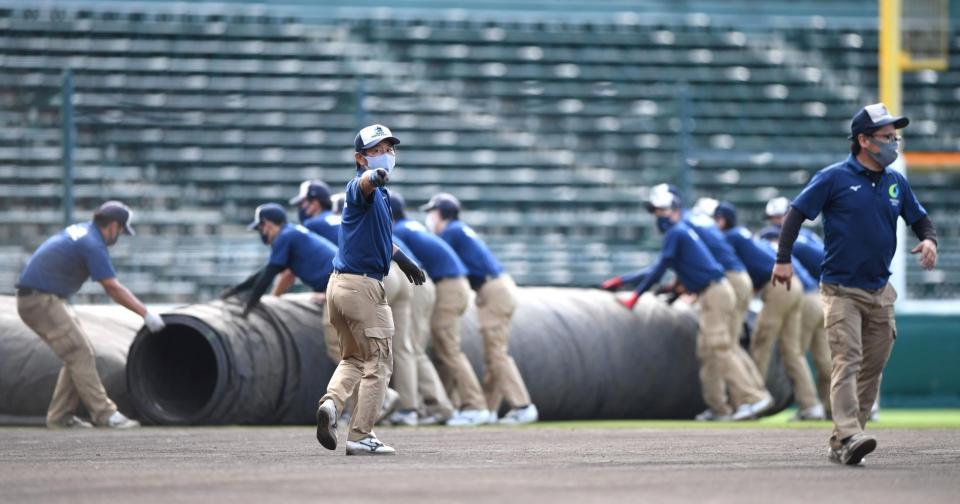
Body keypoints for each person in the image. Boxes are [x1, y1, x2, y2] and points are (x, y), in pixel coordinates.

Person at [772, 103, 937, 465]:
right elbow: (796, 213)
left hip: (881, 290)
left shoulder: (896, 182)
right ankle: (849, 432)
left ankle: (845, 440)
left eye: (895, 136)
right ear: (863, 140)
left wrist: (929, 241)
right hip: (841, 289)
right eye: (886, 136)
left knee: (872, 366)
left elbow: (920, 219)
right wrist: (783, 259)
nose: (894, 143)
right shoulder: (834, 177)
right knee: (847, 360)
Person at [314, 124, 426, 456]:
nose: (386, 155)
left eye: (389, 149)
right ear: (360, 158)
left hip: (340, 284)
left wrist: (404, 259)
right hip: (362, 287)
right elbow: (361, 186)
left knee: (354, 358)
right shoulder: (361, 186)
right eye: (377, 150)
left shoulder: (380, 197)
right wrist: (373, 177)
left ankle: (332, 404)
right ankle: (361, 434)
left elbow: (379, 239)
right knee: (380, 360)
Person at [612, 190, 771, 421]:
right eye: (656, 211)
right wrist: (627, 282)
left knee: (721, 346)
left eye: (662, 210)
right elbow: (680, 266)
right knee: (708, 350)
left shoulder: (681, 229)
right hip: (718, 286)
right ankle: (719, 407)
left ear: (676, 209)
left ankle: (753, 398)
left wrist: (635, 294)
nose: (658, 215)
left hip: (720, 286)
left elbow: (661, 267)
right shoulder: (685, 228)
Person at [16, 201, 164, 429]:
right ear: (113, 226)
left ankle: (60, 417)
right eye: (122, 231)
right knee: (80, 352)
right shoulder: (93, 244)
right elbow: (112, 287)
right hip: (40, 300)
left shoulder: (83, 232)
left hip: (41, 298)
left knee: (77, 354)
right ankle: (105, 414)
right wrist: (145, 313)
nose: (120, 236)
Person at [422, 193, 538, 425]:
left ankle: (522, 405)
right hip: (497, 287)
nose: (429, 218)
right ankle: (490, 407)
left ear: (441, 214)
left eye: (431, 213)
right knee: (492, 352)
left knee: (496, 353)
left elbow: (440, 262)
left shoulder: (451, 232)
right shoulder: (460, 229)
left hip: (492, 290)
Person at [714, 201, 821, 420]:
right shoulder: (746, 236)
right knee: (792, 352)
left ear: (722, 220)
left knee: (760, 342)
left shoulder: (730, 238)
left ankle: (753, 400)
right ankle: (810, 405)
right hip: (798, 286)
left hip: (779, 286)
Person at [391, 192, 473, 426]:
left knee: (412, 349)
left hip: (421, 282)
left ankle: (432, 406)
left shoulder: (399, 231)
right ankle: (435, 405)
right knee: (417, 348)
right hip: (431, 283)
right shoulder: (411, 226)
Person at [758, 198, 831, 419]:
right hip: (825, 295)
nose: (776, 222)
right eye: (774, 218)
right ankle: (835, 408)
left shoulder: (779, 236)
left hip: (807, 297)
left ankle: (809, 405)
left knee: (793, 354)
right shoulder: (809, 236)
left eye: (779, 217)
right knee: (825, 358)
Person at [221, 203, 337, 318]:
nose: (261, 232)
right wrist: (235, 290)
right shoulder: (289, 232)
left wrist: (247, 308)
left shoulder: (284, 236)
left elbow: (267, 277)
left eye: (260, 228)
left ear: (267, 224)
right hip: (340, 280)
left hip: (337, 283)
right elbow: (265, 272)